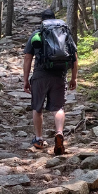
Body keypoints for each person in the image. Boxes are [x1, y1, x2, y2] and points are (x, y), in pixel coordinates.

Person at [22, 8, 78, 155]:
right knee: (58, 108)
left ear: (42, 20)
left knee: (37, 107)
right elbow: (74, 57)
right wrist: (74, 78)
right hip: (59, 74)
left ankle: (39, 139)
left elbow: (28, 58)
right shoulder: (64, 33)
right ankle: (59, 133)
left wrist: (26, 79)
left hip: (40, 74)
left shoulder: (37, 34)